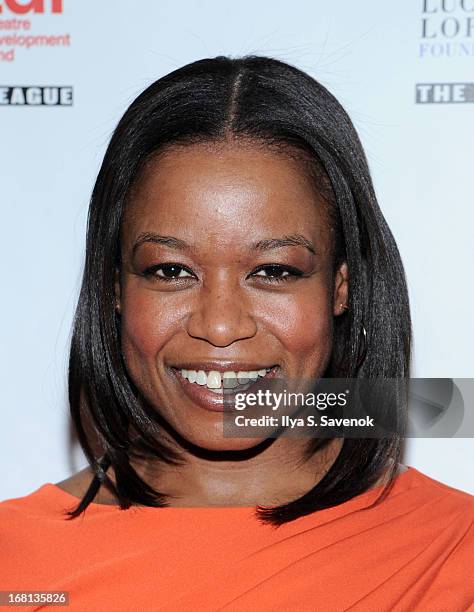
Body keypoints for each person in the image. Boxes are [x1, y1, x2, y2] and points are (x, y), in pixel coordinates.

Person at [0, 55, 472, 611]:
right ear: (114, 288)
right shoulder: (16, 559)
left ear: (341, 287)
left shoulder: (455, 553)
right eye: (170, 271)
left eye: (274, 271)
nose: (220, 326)